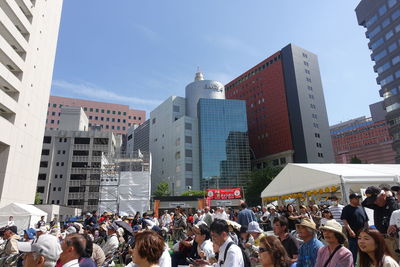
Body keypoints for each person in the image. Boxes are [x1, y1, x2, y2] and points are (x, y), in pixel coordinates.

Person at [362, 186, 399, 259]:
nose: (375, 202)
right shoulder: (376, 206)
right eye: (373, 201)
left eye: (376, 200)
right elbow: (364, 203)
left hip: (393, 239)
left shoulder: (391, 203)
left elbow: (396, 211)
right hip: (381, 238)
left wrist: (390, 198)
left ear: (383, 195)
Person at [341, 192, 369, 263]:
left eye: (358, 198)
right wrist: (350, 230)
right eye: (356, 198)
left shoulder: (361, 208)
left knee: (365, 253)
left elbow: (366, 220)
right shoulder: (346, 208)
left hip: (363, 235)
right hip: (353, 236)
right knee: (353, 253)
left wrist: (367, 231)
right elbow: (345, 220)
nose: (358, 200)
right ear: (351, 200)